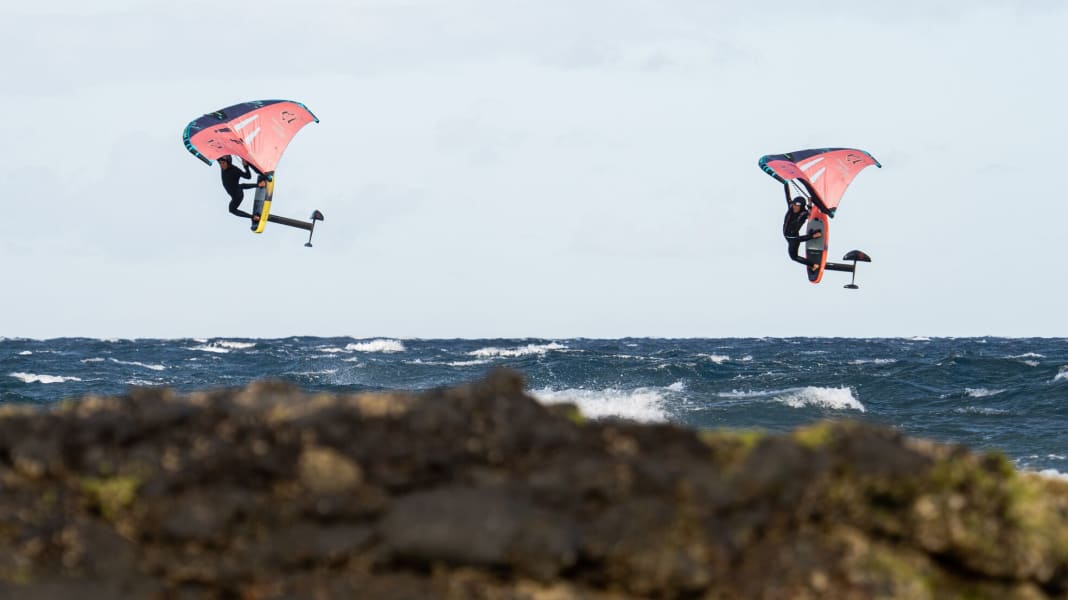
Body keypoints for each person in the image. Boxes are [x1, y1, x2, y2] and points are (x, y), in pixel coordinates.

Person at [782, 185, 822, 270]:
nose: (795, 207)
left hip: (793, 238)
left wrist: (810, 203)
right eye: (794, 205)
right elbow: (787, 194)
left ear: (801, 206)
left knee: (794, 257)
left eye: (797, 206)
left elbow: (810, 214)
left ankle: (813, 265)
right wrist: (786, 183)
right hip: (789, 237)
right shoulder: (791, 207)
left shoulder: (804, 213)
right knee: (795, 243)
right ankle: (813, 235)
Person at [218, 155, 256, 219]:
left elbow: (248, 176)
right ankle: (258, 185)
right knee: (241, 186)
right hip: (235, 191)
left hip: (237, 196)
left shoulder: (235, 170)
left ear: (228, 163)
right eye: (220, 163)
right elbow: (216, 155)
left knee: (232, 209)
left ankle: (252, 217)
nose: (221, 165)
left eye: (223, 163)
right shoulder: (223, 166)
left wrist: (246, 166)